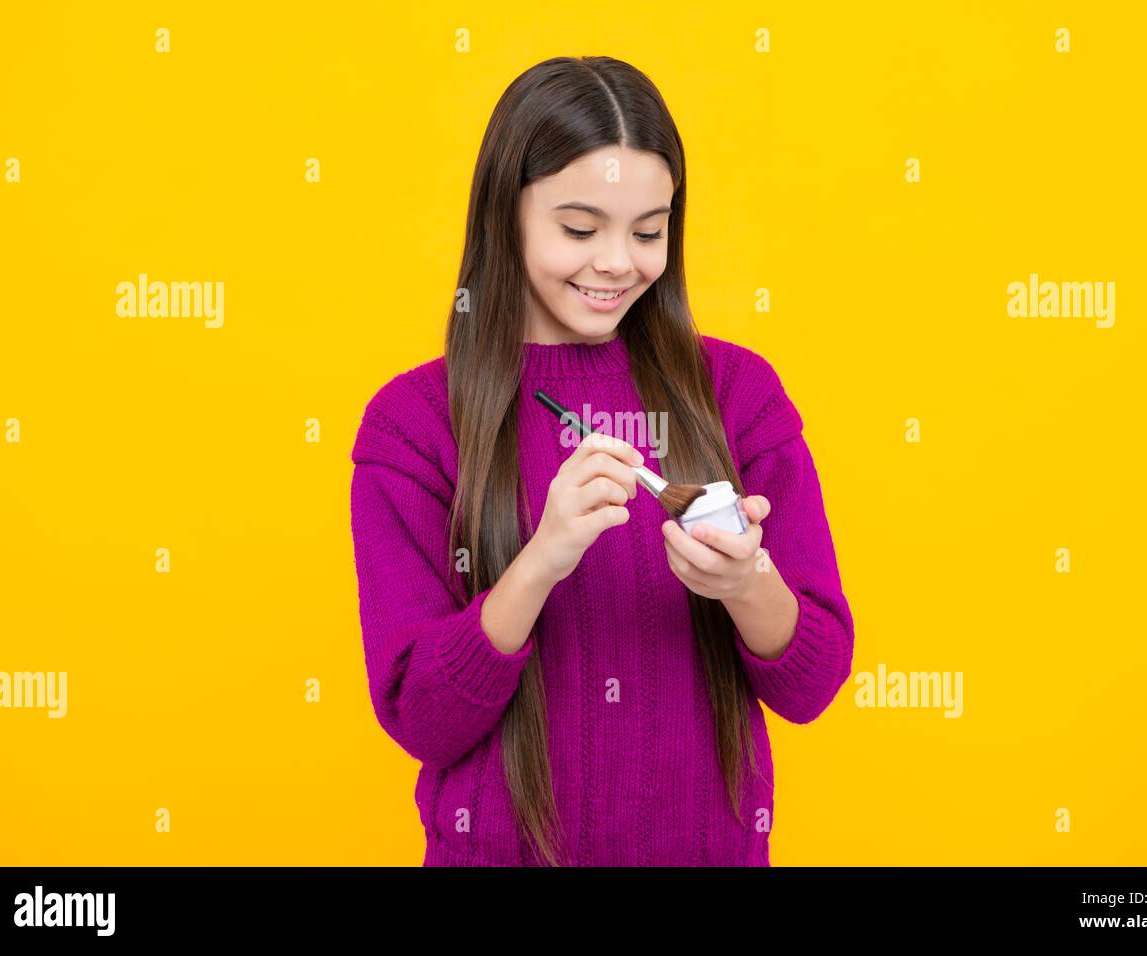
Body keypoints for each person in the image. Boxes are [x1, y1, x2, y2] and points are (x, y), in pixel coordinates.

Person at [349, 55, 855, 866]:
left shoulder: (737, 393)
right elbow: (421, 718)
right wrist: (539, 561)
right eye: (580, 229)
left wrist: (746, 585)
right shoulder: (412, 426)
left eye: (649, 230)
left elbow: (812, 684)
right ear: (502, 216)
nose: (619, 262)